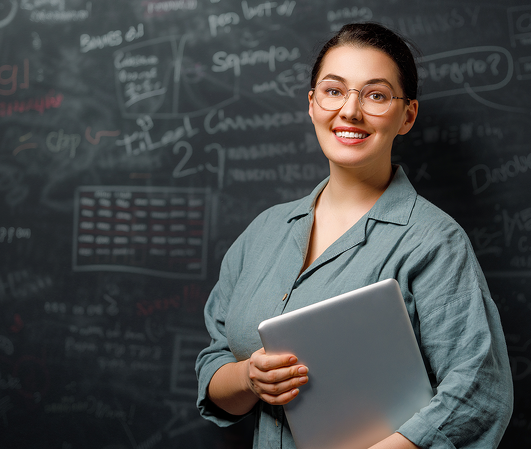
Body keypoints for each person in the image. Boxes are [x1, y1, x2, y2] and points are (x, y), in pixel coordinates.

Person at [195, 22, 513, 449]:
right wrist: (249, 378)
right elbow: (217, 362)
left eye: (376, 95)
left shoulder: (433, 241)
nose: (350, 111)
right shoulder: (264, 232)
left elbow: (478, 391)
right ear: (312, 104)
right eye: (333, 91)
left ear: (408, 116)